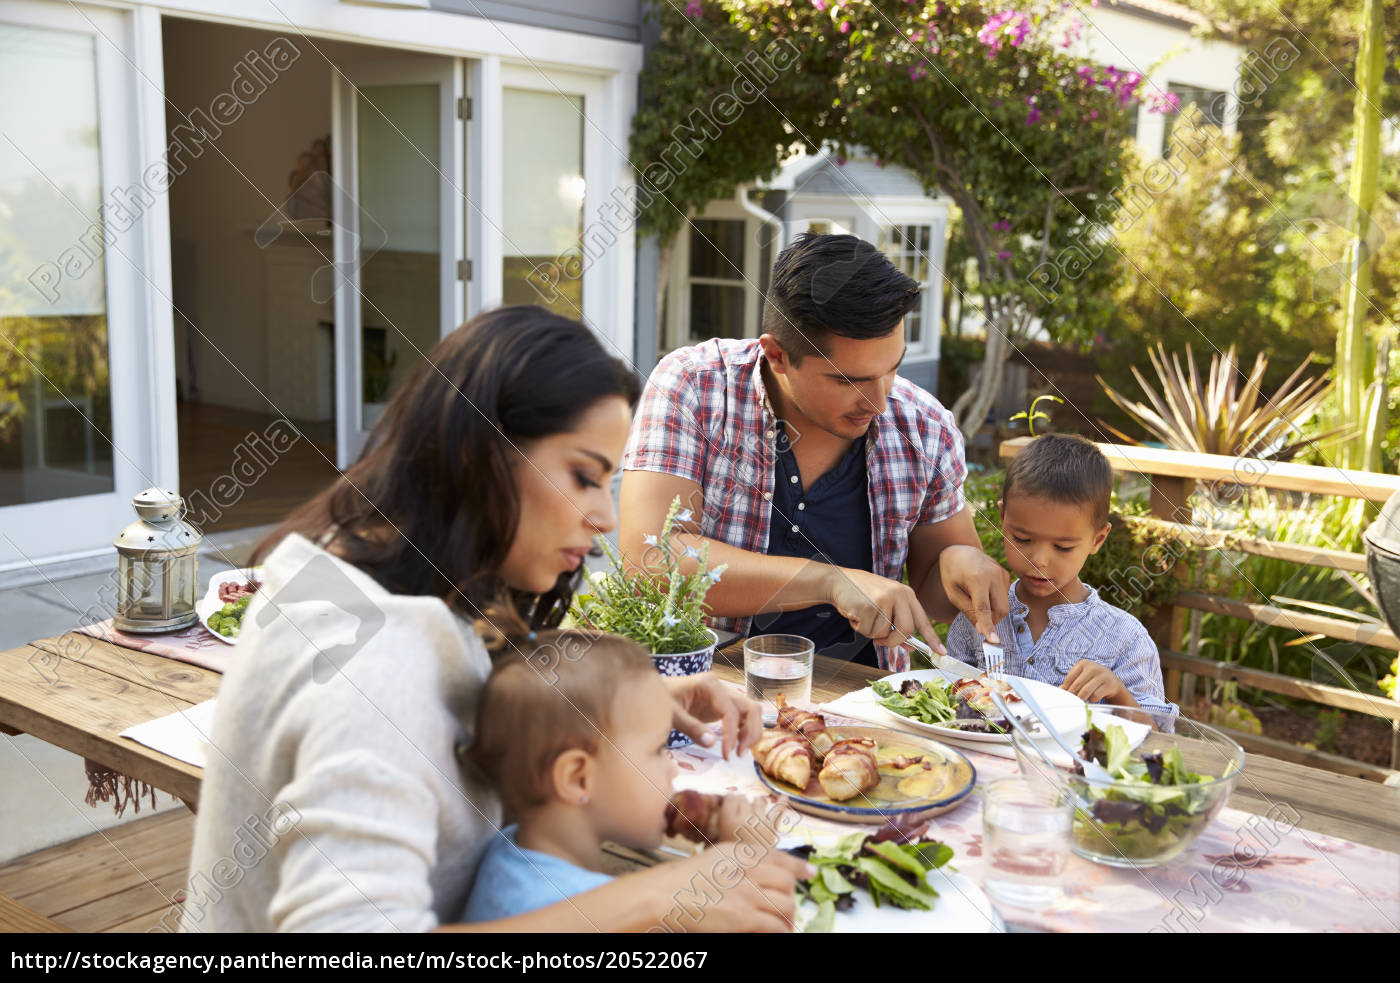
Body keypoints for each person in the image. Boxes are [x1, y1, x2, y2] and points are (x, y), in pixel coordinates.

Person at [181, 306, 811, 933]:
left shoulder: (345, 574)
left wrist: (624, 718)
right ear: (479, 452)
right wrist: (662, 895)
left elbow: (441, 716)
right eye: (583, 476)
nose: (606, 519)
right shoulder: (375, 666)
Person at [620, 233, 1009, 671]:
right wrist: (829, 582)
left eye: (892, 369)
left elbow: (934, 599)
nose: (878, 402)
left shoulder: (924, 427)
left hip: (864, 702)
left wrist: (958, 564)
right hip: (707, 689)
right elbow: (650, 561)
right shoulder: (694, 387)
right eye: (849, 381)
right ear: (777, 356)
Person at [463, 623, 782, 926]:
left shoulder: (512, 850)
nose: (673, 768)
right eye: (658, 749)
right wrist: (748, 855)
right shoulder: (579, 912)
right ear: (578, 778)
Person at [945, 434, 1179, 719]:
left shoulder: (1125, 639)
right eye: (1022, 539)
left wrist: (1118, 692)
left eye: (1063, 547)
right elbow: (945, 706)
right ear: (1003, 518)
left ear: (1097, 539)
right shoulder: (978, 618)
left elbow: (1156, 737)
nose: (1040, 561)